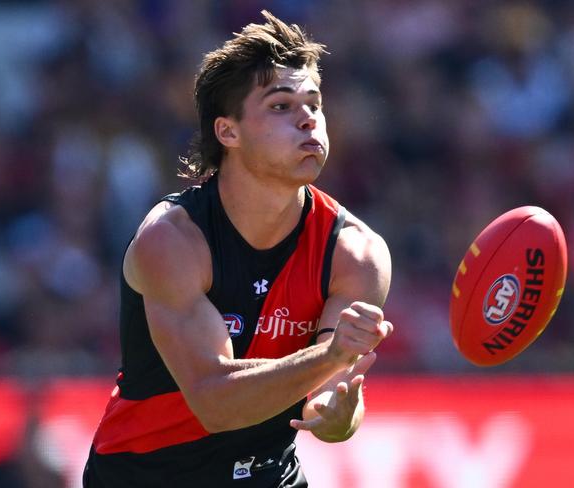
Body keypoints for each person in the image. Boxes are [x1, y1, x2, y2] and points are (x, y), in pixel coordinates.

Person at [83, 10, 393, 488]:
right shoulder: (172, 239)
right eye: (280, 106)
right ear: (228, 132)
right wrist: (330, 357)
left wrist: (338, 415)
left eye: (314, 101)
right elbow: (215, 402)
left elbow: (327, 403)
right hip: (143, 477)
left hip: (269, 477)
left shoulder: (356, 252)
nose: (308, 115)